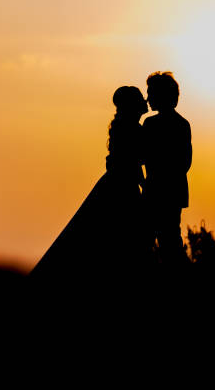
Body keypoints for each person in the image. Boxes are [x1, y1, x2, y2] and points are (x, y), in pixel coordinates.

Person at [30, 86, 152, 284]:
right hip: (122, 188)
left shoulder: (125, 126)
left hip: (116, 184)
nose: (145, 101)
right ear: (133, 105)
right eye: (140, 99)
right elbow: (131, 161)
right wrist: (144, 183)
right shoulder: (131, 128)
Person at [142, 71, 192, 268]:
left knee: (154, 243)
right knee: (170, 243)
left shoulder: (151, 124)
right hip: (173, 193)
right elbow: (185, 162)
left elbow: (143, 156)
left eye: (151, 93)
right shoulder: (182, 124)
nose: (148, 98)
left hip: (157, 192)